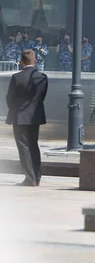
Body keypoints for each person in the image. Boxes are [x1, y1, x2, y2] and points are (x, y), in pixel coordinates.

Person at [5, 49, 48, 186]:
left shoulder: (17, 77)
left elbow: (9, 98)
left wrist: (14, 107)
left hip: (20, 116)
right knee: (34, 145)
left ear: (21, 62)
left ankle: (30, 178)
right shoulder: (42, 77)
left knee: (23, 146)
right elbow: (41, 97)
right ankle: (37, 176)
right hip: (35, 116)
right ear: (34, 61)